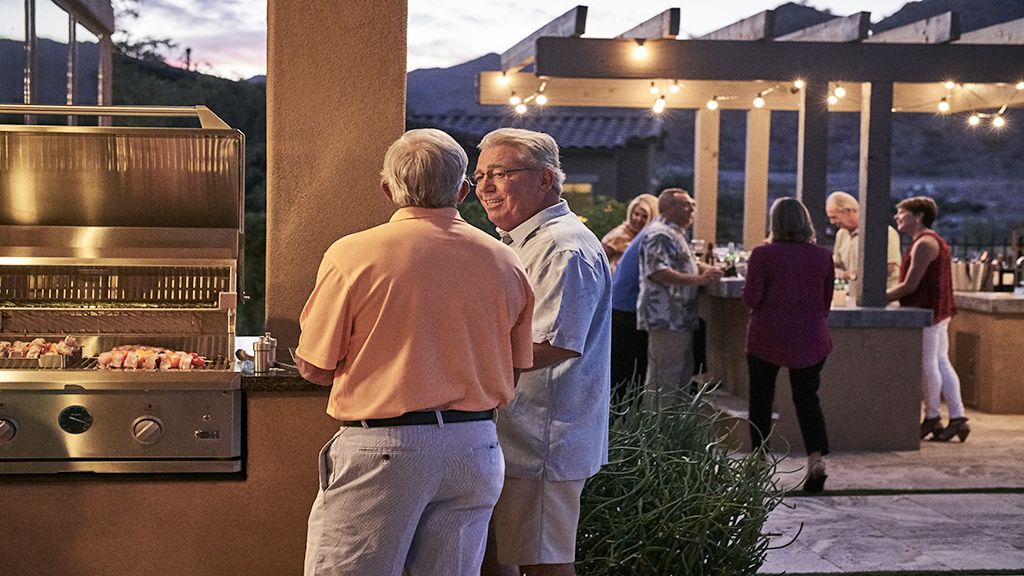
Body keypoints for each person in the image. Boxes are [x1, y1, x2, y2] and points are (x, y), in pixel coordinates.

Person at [295, 128, 535, 576]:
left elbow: (314, 367)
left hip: (385, 447)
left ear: (388, 190)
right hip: (475, 447)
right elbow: (517, 366)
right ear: (463, 190)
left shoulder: (353, 255)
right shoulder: (505, 260)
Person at [474, 127, 611, 576]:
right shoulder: (522, 242)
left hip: (543, 439)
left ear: (545, 179)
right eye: (479, 176)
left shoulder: (562, 247)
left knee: (544, 566)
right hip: (519, 435)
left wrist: (463, 359)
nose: (485, 187)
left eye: (500, 173)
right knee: (503, 557)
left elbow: (554, 345)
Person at [744, 197, 834, 493]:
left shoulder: (762, 255)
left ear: (775, 223)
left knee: (760, 399)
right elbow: (825, 302)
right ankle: (816, 462)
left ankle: (759, 461)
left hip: (767, 336)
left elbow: (751, 298)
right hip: (810, 337)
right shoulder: (823, 256)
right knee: (808, 399)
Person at [886, 196, 969, 443]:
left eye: (902, 213)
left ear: (918, 216)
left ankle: (933, 416)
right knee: (941, 362)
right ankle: (958, 417)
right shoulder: (930, 242)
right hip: (937, 311)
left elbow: (910, 285)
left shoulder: (924, 244)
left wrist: (879, 297)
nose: (897, 217)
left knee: (928, 364)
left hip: (926, 312)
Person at [637, 189, 723, 410]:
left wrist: (706, 269)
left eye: (692, 204)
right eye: (686, 205)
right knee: (663, 379)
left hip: (680, 317)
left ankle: (673, 433)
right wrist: (699, 279)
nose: (692, 209)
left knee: (680, 376)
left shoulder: (675, 234)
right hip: (666, 317)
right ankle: (654, 433)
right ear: (668, 208)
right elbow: (658, 271)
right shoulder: (660, 234)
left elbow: (683, 262)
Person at [826, 190, 903, 303]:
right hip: (854, 299)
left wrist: (853, 275)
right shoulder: (841, 234)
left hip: (885, 302)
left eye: (834, 217)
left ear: (848, 211)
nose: (832, 222)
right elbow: (836, 264)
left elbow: (889, 267)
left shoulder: (884, 233)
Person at [609, 222, 651, 406]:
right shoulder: (655, 235)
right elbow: (658, 273)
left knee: (622, 372)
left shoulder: (645, 234)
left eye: (643, 216)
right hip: (628, 310)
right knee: (629, 373)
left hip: (619, 306)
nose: (638, 218)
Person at [601, 193, 659, 273]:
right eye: (636, 214)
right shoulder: (618, 235)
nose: (638, 219)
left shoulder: (655, 236)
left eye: (644, 216)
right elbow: (599, 262)